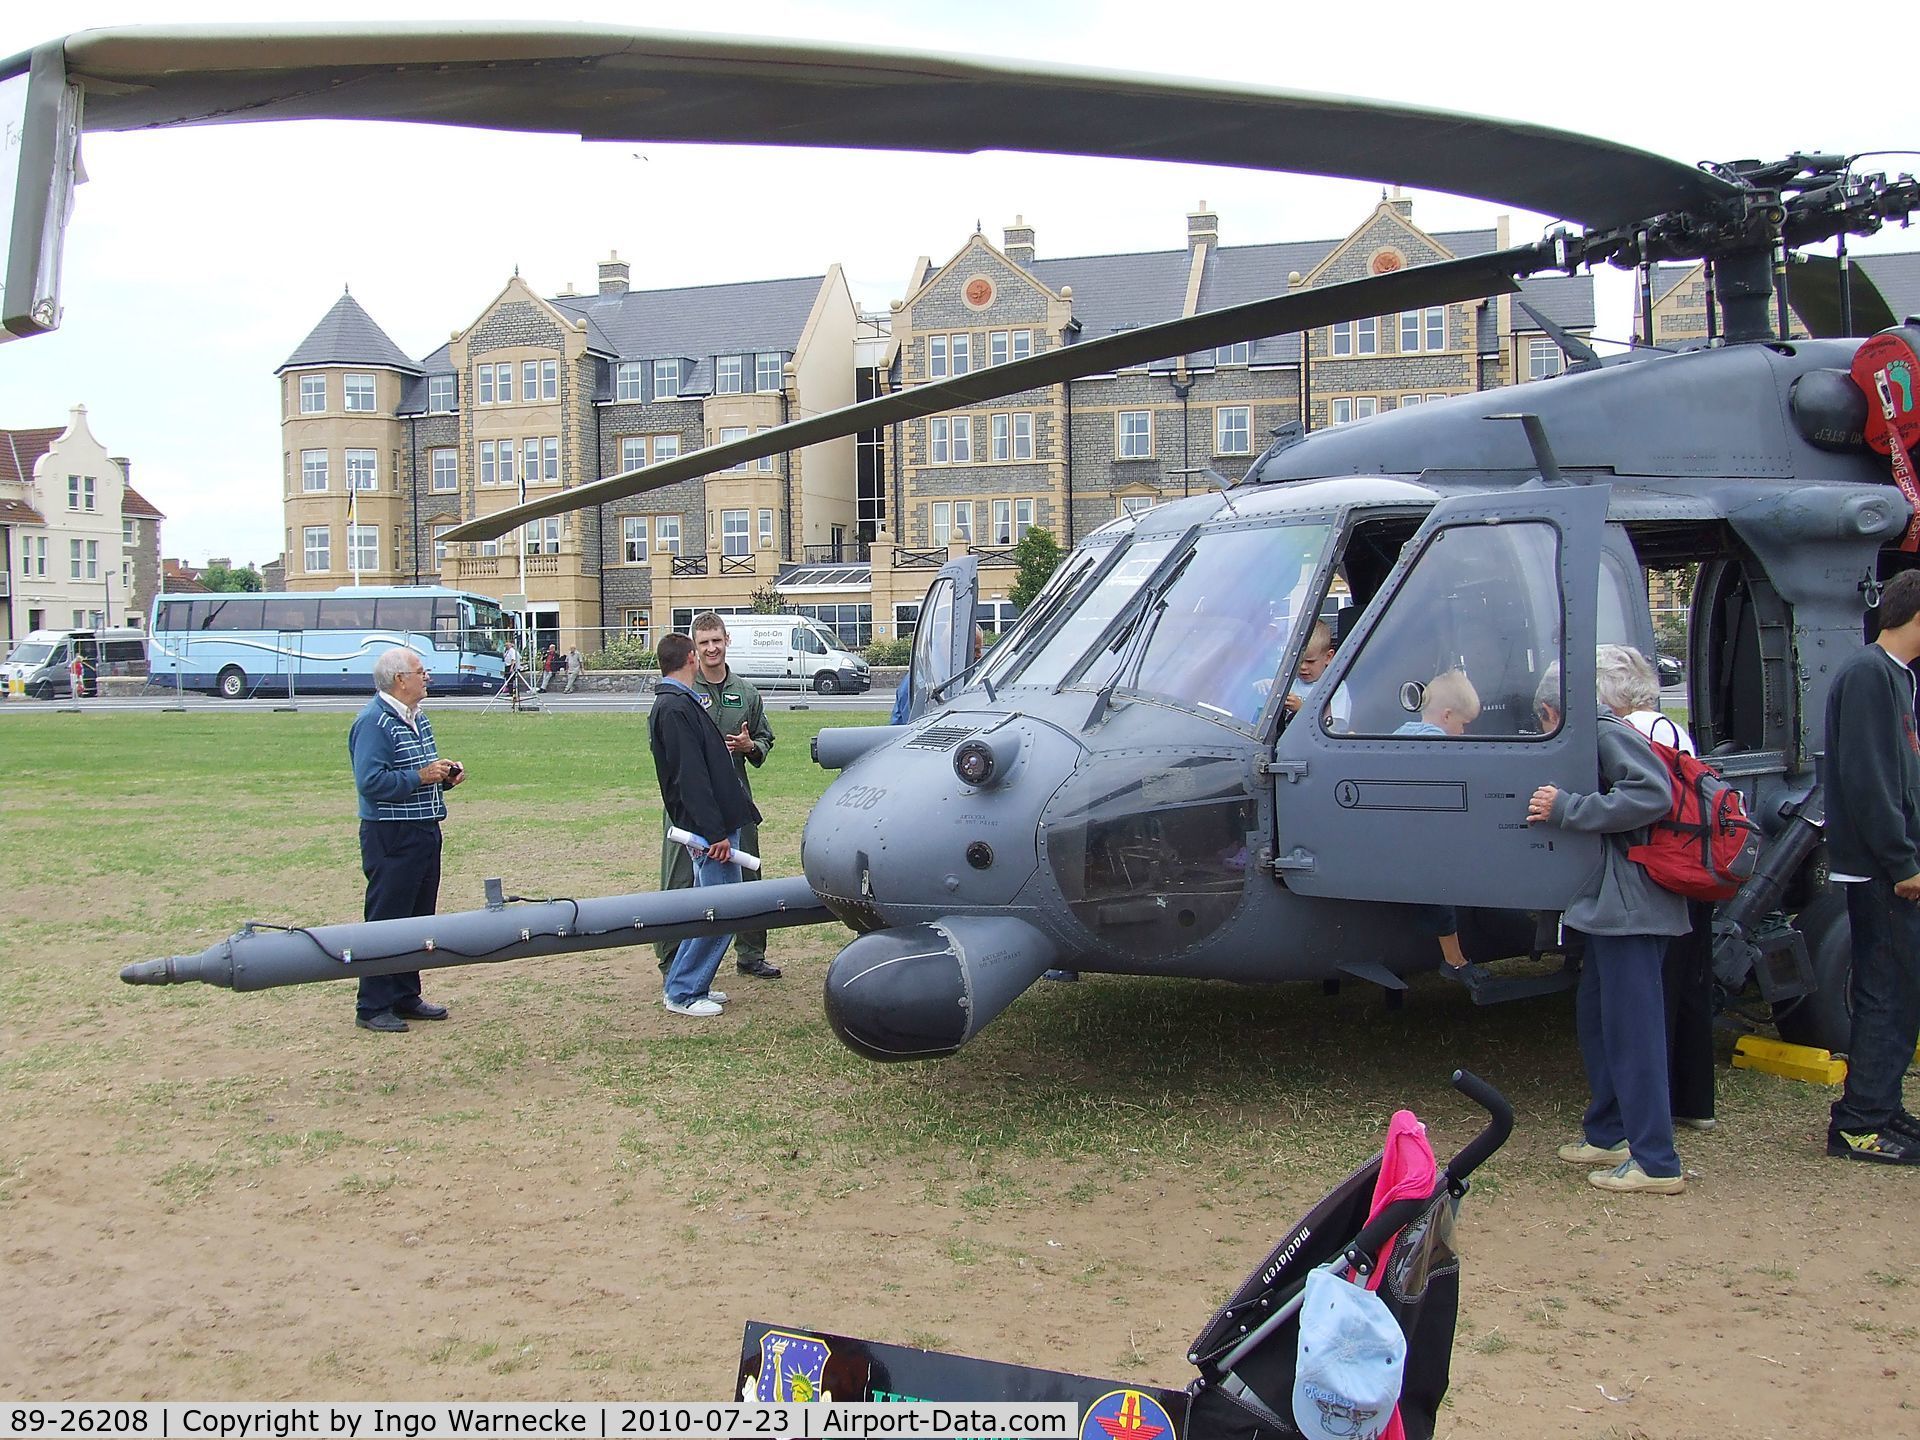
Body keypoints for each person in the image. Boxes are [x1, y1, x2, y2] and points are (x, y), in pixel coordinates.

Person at [1529, 655, 1691, 1194]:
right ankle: (1609, 1131)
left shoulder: (1601, 731)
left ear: (1552, 712)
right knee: (1601, 1019)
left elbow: (1651, 794)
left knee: (1632, 1031)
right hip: (1615, 906)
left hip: (1632, 906)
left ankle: (1656, 1160)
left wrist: (1569, 808)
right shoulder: (1602, 729)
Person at [1821, 569, 1920, 1165]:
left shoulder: (1898, 677)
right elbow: (1868, 778)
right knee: (1885, 993)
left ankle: (1881, 1106)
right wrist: (1902, 859)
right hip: (1884, 871)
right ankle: (1859, 1123)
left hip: (1896, 864)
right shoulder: (1867, 674)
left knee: (1902, 992)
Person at [1610, 645, 1716, 1133]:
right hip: (1695, 863)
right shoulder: (1671, 728)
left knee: (1656, 989)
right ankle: (1694, 1099)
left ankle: (1656, 1105)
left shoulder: (1632, 735)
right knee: (1690, 980)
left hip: (1660, 866)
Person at [654, 613, 781, 981]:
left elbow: (765, 740)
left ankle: (751, 953)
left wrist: (750, 746)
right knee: (680, 880)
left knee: (746, 874)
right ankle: (673, 959)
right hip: (689, 805)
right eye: (703, 642)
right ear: (693, 649)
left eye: (717, 640)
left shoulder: (746, 692)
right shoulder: (684, 693)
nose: (711, 648)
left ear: (727, 641)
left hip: (735, 800)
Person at [348, 648, 465, 1033]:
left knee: (416, 917)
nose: (426, 677)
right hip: (391, 835)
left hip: (425, 829)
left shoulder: (418, 719)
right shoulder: (374, 723)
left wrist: (443, 778)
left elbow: (420, 774)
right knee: (386, 920)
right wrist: (421, 777)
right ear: (400, 679)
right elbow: (371, 782)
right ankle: (373, 1004)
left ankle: (404, 993)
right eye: (420, 671)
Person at [1392, 668, 1478, 972]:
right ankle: (1455, 960)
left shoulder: (1400, 734)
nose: (1464, 732)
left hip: (1401, 835)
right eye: (1463, 724)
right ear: (1446, 715)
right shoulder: (1439, 745)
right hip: (1425, 843)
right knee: (1444, 897)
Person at [1283, 620, 1353, 731]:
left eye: (1310, 662)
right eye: (1298, 661)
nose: (1303, 667)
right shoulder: (1289, 683)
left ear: (1328, 657)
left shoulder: (1336, 688)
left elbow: (1335, 729)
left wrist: (1301, 709)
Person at [502, 636, 524, 711]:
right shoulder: (506, 651)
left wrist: (512, 667)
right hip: (507, 665)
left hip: (511, 666)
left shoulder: (512, 651)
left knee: (511, 680)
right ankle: (511, 691)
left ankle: (513, 692)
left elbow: (513, 660)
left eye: (507, 644)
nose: (506, 645)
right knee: (508, 679)